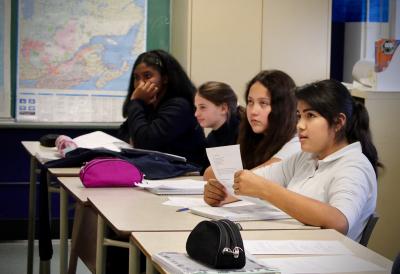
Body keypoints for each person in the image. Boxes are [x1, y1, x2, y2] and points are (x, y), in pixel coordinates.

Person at [205, 79, 380, 241]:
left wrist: (265, 190)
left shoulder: (354, 165)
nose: (300, 125)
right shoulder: (306, 158)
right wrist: (224, 192)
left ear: (338, 122)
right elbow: (256, 180)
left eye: (310, 116)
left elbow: (339, 221)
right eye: (299, 116)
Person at [202, 70, 300, 180]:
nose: (253, 111)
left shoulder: (296, 142)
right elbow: (209, 174)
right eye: (250, 102)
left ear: (283, 108)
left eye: (263, 103)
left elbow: (250, 180)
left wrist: (226, 182)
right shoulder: (252, 136)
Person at [118, 49, 206, 167]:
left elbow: (144, 143)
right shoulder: (149, 104)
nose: (140, 84)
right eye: (136, 78)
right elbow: (125, 135)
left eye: (147, 76)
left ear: (165, 78)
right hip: (160, 173)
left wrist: (136, 102)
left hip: (186, 175)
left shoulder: (179, 106)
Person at [194, 81, 243, 148]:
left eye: (202, 107)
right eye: (196, 108)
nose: (196, 114)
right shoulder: (211, 139)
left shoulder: (244, 135)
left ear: (223, 108)